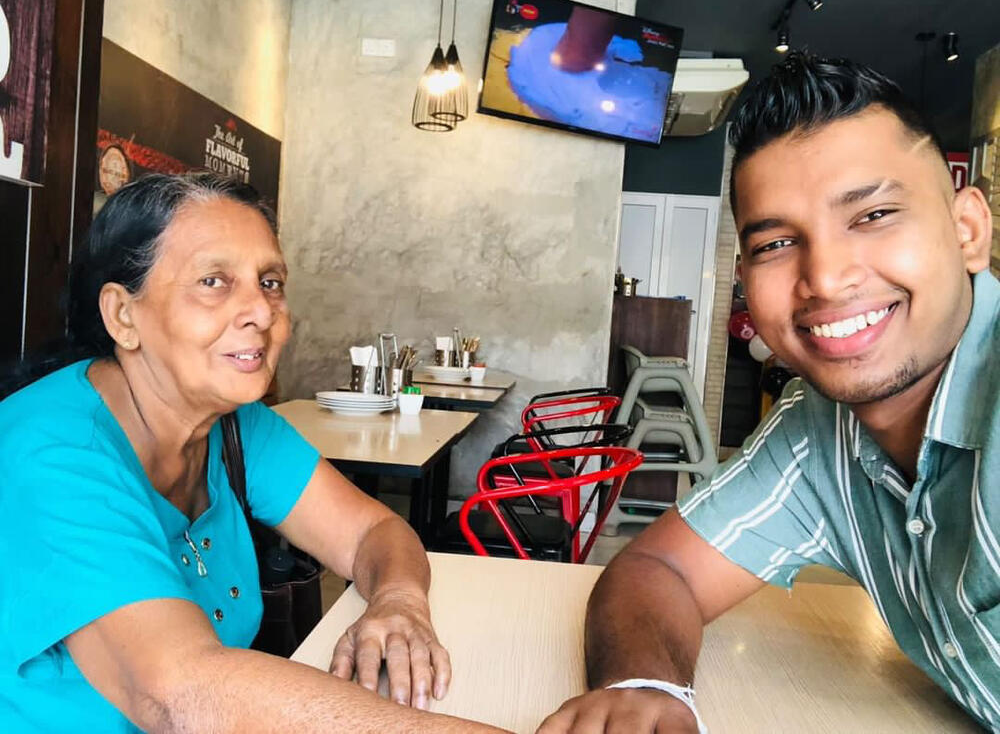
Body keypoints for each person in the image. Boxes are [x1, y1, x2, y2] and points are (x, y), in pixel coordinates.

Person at [538, 52, 997, 733]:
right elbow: (660, 567)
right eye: (777, 243)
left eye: (874, 215)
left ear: (968, 231)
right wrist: (645, 686)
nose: (826, 278)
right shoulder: (818, 428)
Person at [0, 173, 505, 732]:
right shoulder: (49, 452)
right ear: (123, 314)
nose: (262, 312)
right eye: (213, 281)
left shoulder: (235, 425)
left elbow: (371, 531)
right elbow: (178, 694)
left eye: (270, 282)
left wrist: (399, 599)